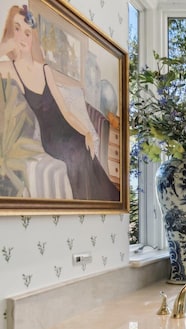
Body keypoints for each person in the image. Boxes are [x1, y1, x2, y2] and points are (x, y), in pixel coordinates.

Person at [0, 4, 119, 201]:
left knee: (83, 146)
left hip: (68, 129)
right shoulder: (12, 69)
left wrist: (86, 132)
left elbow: (66, 112)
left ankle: (102, 199)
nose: (22, 37)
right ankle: (85, 202)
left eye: (27, 33)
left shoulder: (45, 70)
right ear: (11, 33)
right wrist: (7, 45)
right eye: (17, 29)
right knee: (77, 153)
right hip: (52, 139)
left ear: (33, 39)